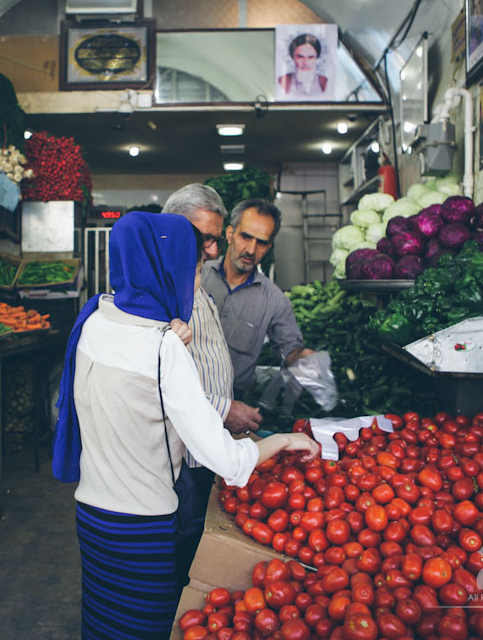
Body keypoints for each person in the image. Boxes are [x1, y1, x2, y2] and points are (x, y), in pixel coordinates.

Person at [52, 212, 320, 640]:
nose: (196, 283)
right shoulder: (164, 349)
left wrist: (168, 345)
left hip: (91, 516)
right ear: (170, 270)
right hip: (141, 528)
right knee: (145, 629)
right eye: (195, 271)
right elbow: (229, 461)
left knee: (102, 626)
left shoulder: (94, 320)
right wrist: (285, 440)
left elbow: (128, 383)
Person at [161, 184, 264, 585]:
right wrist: (225, 409)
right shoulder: (165, 288)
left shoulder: (194, 279)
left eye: (215, 239)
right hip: (182, 451)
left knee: (194, 538)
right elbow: (161, 378)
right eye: (201, 237)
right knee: (182, 542)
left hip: (204, 446)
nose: (213, 250)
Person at [202, 199, 315, 400]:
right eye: (246, 236)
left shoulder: (274, 299)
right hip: (183, 392)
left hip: (233, 402)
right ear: (230, 234)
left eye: (261, 242)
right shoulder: (198, 276)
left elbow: (288, 347)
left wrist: (301, 357)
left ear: (269, 246)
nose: (252, 250)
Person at [277, 33, 329, 98]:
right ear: (293, 58)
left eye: (310, 57)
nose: (305, 62)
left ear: (317, 58)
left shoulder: (325, 82)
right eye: (300, 57)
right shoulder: (283, 81)